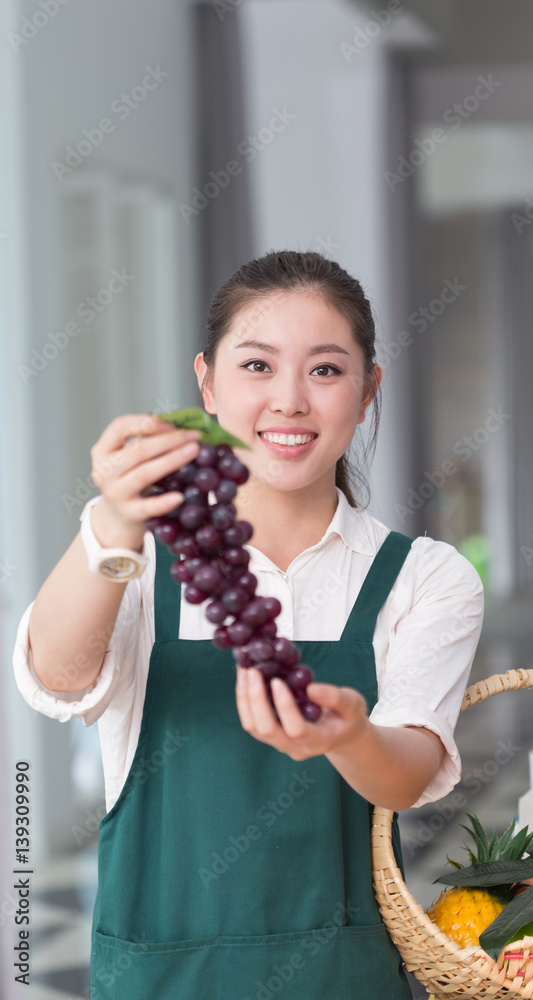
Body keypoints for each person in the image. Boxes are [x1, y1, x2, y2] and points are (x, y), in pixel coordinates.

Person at [13, 249, 484, 999]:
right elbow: (57, 679)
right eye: (257, 366)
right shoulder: (132, 551)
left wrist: (348, 737)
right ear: (206, 384)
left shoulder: (425, 577)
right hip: (160, 977)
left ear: (367, 392)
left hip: (342, 979)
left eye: (325, 370)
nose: (289, 401)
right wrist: (112, 521)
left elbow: (410, 775)